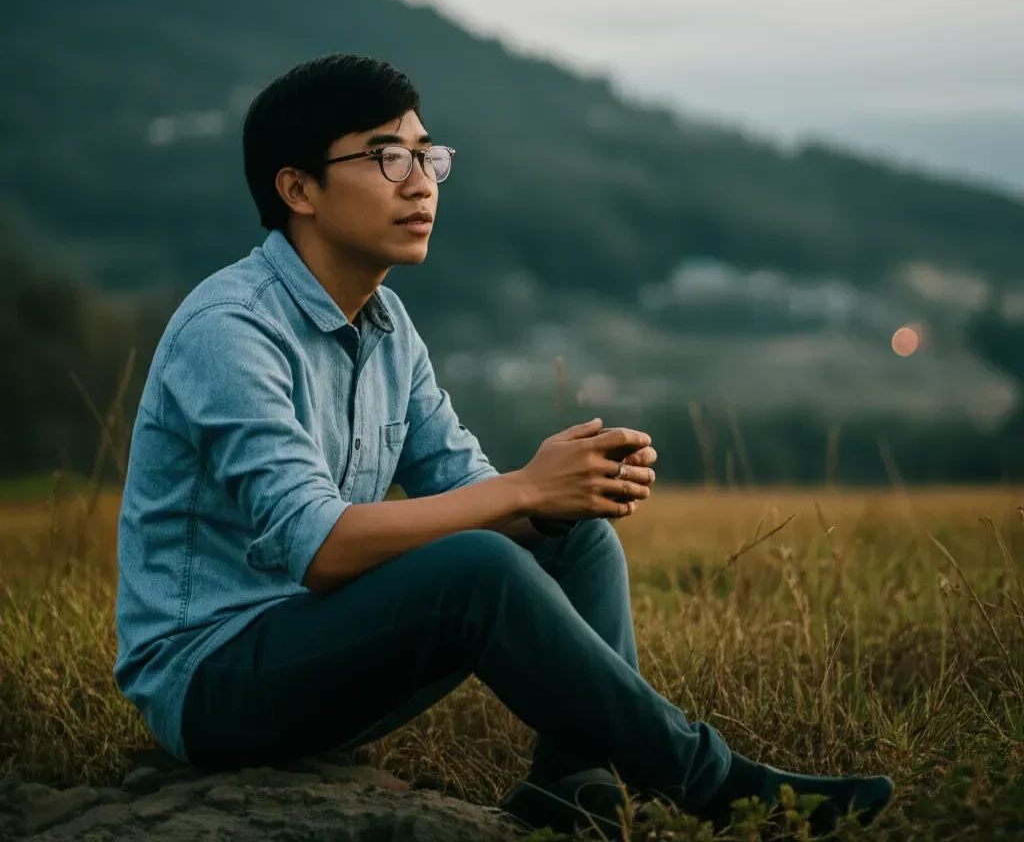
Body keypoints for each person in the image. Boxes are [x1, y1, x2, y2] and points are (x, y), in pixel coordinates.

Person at [114, 53, 893, 836]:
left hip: (320, 646)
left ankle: (571, 780)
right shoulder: (232, 330)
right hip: (211, 682)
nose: (419, 183)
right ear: (298, 189)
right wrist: (523, 488)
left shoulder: (388, 331)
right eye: (387, 157)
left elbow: (471, 492)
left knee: (569, 541)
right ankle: (719, 785)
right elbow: (318, 547)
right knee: (479, 564)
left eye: (428, 157)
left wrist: (567, 492)